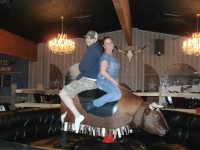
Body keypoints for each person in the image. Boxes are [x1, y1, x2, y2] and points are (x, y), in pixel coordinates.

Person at [59, 30, 103, 130]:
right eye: (87, 37)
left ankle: (78, 116)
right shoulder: (97, 49)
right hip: (93, 79)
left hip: (89, 81)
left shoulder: (93, 50)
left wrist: (81, 64)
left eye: (90, 38)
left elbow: (83, 67)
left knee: (62, 93)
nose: (87, 39)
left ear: (95, 39)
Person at [86, 37, 121, 112]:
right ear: (104, 46)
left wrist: (117, 81)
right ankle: (94, 104)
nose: (110, 45)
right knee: (117, 94)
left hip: (111, 81)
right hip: (103, 80)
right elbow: (103, 72)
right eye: (107, 43)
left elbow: (116, 71)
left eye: (111, 42)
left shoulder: (114, 58)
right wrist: (114, 81)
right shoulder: (104, 56)